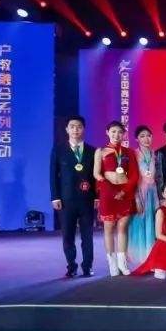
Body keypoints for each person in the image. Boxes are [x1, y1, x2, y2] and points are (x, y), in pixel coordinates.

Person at [49, 116, 97, 277]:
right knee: (68, 235)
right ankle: (71, 266)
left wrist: (97, 197)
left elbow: (96, 177)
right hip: (66, 199)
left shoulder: (92, 151)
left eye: (79, 126)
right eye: (72, 126)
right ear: (67, 129)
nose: (75, 130)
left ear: (84, 129)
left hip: (87, 199)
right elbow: (53, 175)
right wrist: (55, 197)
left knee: (87, 235)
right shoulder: (59, 150)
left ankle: (87, 266)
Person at [94, 121, 139, 277]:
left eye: (120, 132)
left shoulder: (129, 152)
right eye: (113, 131)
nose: (116, 135)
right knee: (109, 228)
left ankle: (122, 262)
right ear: (107, 132)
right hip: (108, 193)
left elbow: (134, 175)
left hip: (125, 193)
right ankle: (112, 263)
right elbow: (96, 173)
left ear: (124, 134)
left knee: (122, 227)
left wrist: (124, 191)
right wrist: (110, 188)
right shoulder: (100, 151)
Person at [127, 125, 158, 266]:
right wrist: (137, 199)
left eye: (148, 136)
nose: (146, 139)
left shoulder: (155, 153)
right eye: (142, 136)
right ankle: (140, 258)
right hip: (140, 193)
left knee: (153, 224)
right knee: (140, 223)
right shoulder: (133, 154)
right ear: (136, 139)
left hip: (154, 193)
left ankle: (152, 256)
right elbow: (132, 178)